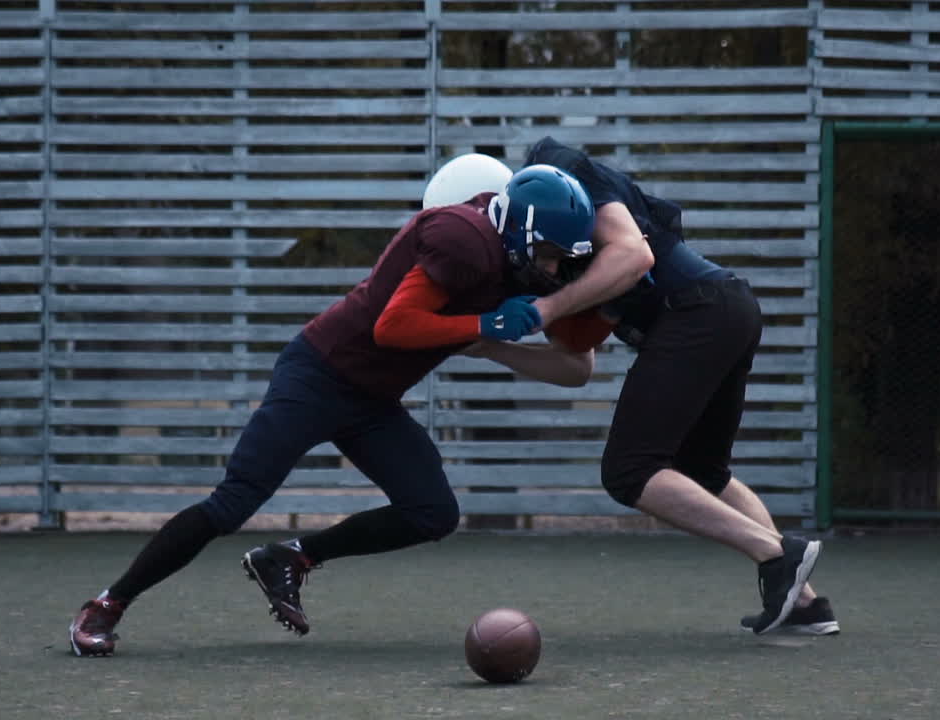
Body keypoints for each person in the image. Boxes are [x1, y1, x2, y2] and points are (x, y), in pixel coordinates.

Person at [68, 161, 609, 655]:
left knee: (433, 511)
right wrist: (486, 325)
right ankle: (107, 603)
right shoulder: (464, 240)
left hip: (371, 400)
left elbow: (572, 351)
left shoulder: (505, 250)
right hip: (318, 376)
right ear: (518, 232)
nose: (555, 270)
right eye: (549, 255)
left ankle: (291, 556)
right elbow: (392, 326)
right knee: (233, 503)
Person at [514, 137, 839, 636]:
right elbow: (577, 367)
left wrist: (546, 309)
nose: (544, 263)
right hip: (729, 308)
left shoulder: (556, 169)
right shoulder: (547, 240)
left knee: (628, 471)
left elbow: (634, 255)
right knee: (703, 473)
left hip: (698, 312)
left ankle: (777, 553)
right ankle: (804, 604)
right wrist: (481, 342)